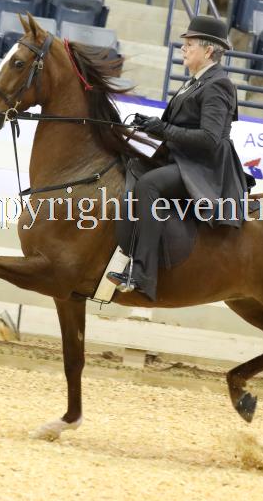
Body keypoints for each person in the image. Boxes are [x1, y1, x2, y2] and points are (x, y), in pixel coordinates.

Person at [107, 16, 250, 299]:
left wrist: (164, 130)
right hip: (184, 159)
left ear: (208, 50)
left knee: (149, 185)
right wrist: (153, 126)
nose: (183, 48)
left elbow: (209, 138)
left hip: (205, 168)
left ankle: (143, 273)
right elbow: (181, 126)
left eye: (190, 44)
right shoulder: (195, 82)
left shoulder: (218, 84)